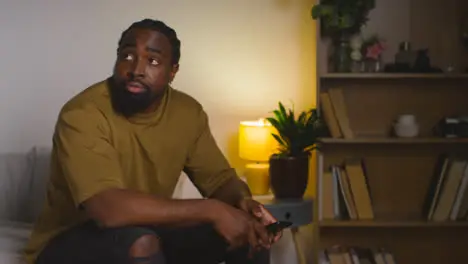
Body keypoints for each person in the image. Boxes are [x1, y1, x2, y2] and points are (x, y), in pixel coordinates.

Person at [23, 18, 282, 264]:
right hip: (67, 242)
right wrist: (212, 210)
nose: (136, 70)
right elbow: (108, 210)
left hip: (148, 230)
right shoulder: (83, 114)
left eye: (153, 61)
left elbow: (220, 181)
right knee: (141, 242)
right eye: (127, 56)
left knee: (249, 234)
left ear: (173, 71)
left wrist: (244, 205)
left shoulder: (187, 113)